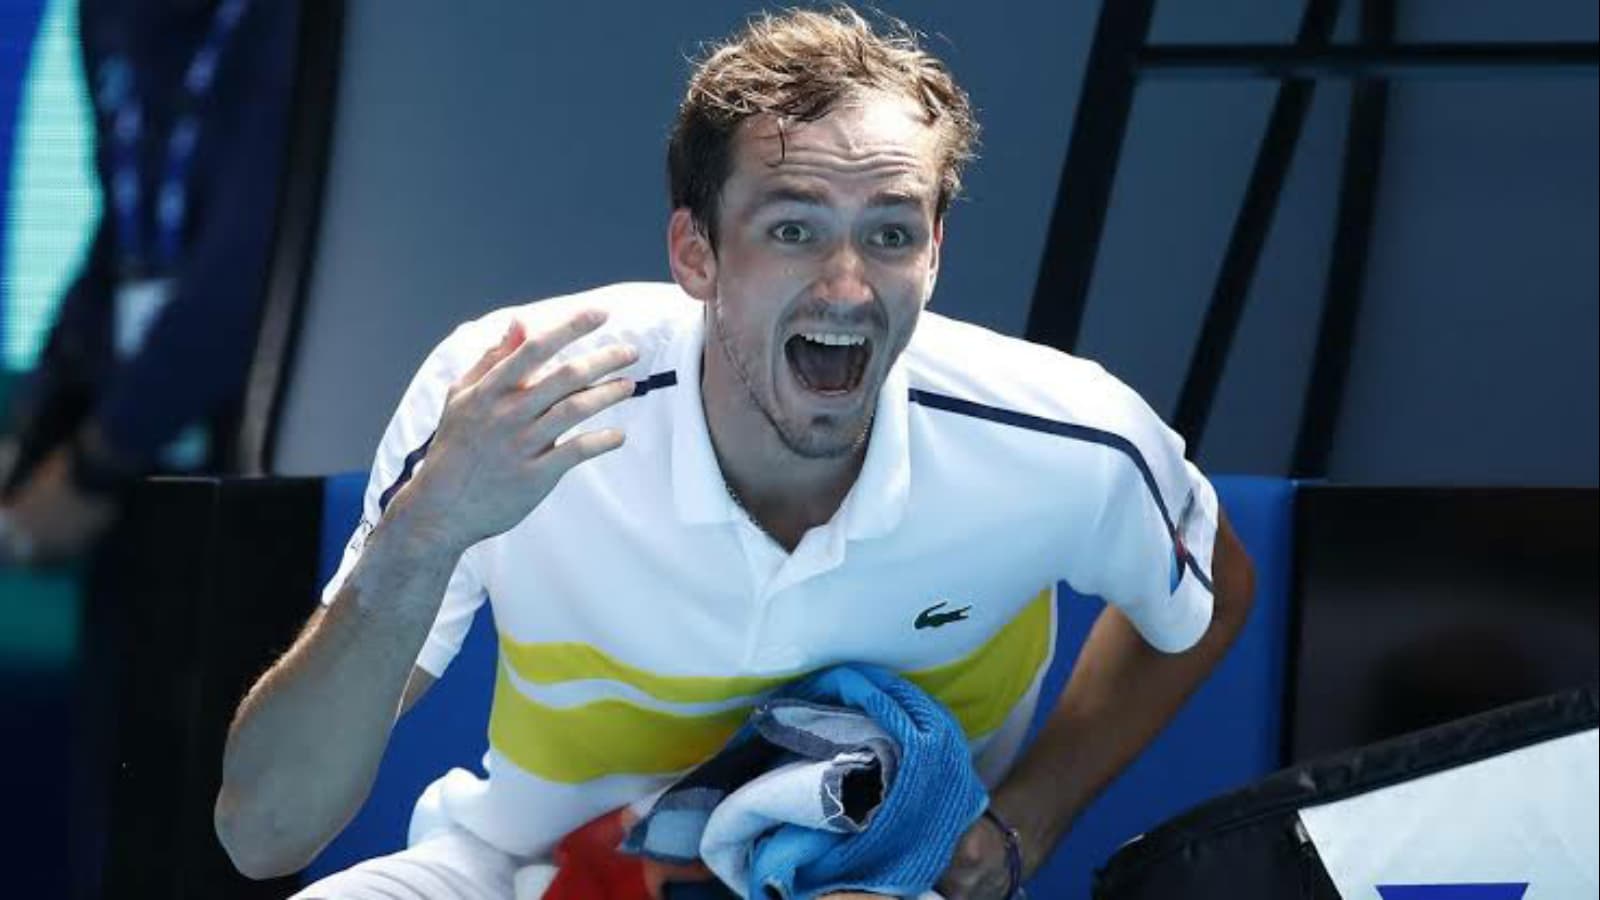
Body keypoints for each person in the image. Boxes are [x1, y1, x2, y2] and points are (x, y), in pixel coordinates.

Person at [215, 7, 1255, 899]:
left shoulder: (1059, 434)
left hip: (860, 881)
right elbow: (263, 832)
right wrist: (426, 531)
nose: (848, 286)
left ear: (934, 250)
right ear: (695, 254)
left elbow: (1211, 587)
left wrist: (1026, 817)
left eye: (890, 233)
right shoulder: (507, 391)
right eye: (793, 230)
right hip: (522, 871)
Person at [0, 0, 297, 566]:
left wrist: (95, 463)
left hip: (248, 456)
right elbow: (122, 231)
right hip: (131, 460)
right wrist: (37, 428)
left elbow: (243, 270)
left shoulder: (286, 24)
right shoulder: (106, 17)